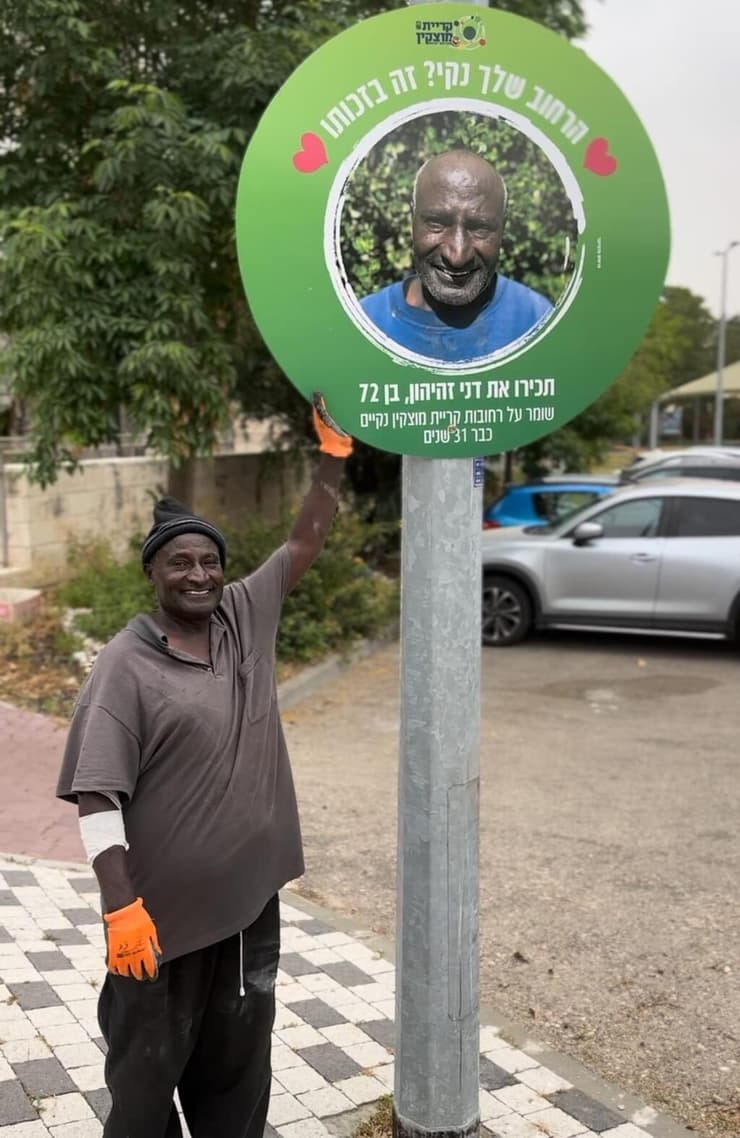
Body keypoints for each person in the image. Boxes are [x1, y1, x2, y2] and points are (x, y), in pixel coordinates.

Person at [56, 395, 353, 1138]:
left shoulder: (243, 617)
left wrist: (333, 460)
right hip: (158, 932)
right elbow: (97, 796)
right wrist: (119, 908)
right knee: (145, 1088)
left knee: (238, 1079)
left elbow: (304, 542)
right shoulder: (125, 667)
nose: (199, 575)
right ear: (153, 573)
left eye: (209, 561)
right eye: (180, 562)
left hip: (249, 913)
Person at [360, 149, 552, 362]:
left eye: (480, 228)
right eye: (436, 223)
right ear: (412, 220)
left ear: (503, 229)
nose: (458, 256)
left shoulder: (536, 322)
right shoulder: (365, 324)